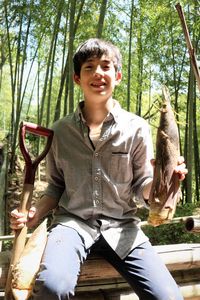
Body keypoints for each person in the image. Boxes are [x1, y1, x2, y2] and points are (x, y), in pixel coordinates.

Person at [10, 38, 188, 300]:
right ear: (76, 78)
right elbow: (56, 187)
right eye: (89, 67)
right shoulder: (60, 131)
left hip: (123, 227)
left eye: (106, 66)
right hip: (73, 225)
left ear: (117, 76)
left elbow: (142, 187)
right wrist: (34, 214)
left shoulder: (136, 128)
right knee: (52, 287)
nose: (98, 73)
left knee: (168, 297)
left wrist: (164, 179)